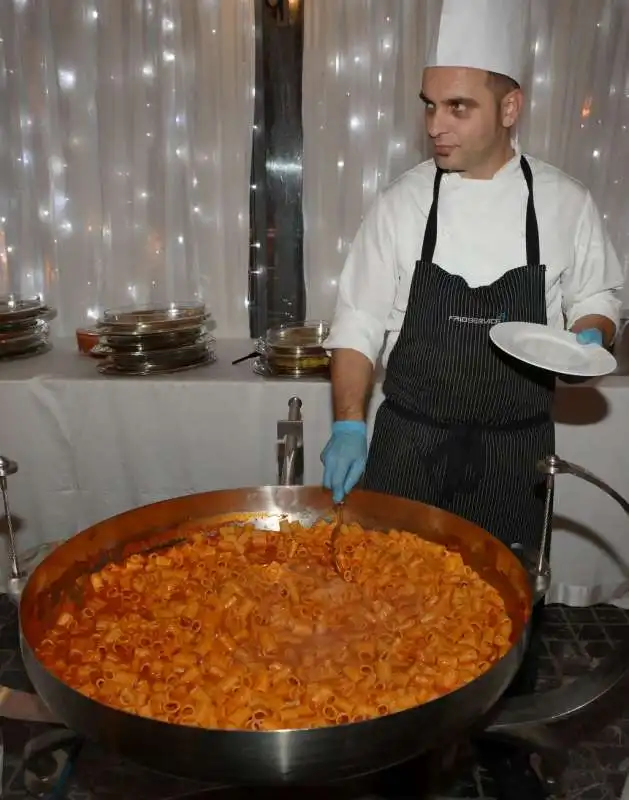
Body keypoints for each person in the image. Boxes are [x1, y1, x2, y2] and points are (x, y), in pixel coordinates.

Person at [321, 0, 625, 795]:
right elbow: (354, 328)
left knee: (505, 609)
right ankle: (390, 748)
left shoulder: (560, 202)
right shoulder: (400, 205)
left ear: (509, 107)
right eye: (428, 105)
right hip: (408, 442)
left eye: (457, 107)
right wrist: (348, 422)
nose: (434, 126)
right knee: (387, 606)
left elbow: (598, 293)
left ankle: (503, 746)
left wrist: (589, 335)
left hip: (512, 450)